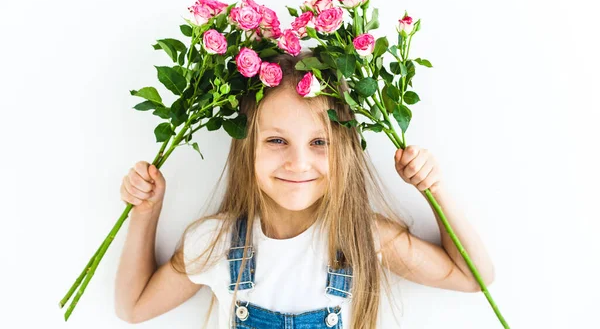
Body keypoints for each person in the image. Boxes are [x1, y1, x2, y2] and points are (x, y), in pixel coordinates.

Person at [114, 51, 496, 328]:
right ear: (247, 146)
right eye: (277, 141)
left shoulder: (363, 237)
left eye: (319, 143)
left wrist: (434, 189)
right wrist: (146, 212)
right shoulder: (215, 242)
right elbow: (133, 307)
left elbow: (473, 278)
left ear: (343, 151)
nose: (298, 163)